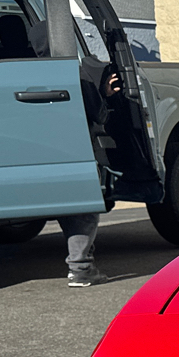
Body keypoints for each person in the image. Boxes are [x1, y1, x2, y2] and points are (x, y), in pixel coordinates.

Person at [62, 57, 121, 288]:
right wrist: (104, 94)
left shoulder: (19, 71)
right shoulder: (70, 72)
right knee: (84, 212)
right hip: (78, 148)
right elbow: (97, 113)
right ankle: (81, 268)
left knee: (67, 211)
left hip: (45, 152)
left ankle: (81, 262)